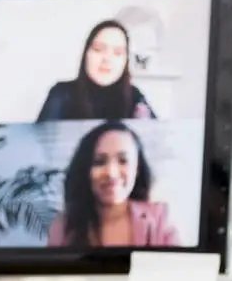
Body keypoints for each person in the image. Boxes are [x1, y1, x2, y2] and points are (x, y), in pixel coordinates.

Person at [46, 121, 182, 248]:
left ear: (137, 169)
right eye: (99, 162)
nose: (111, 173)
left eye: (123, 161)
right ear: (85, 169)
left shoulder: (160, 222)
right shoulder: (63, 227)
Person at [35, 19, 155, 122]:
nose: (107, 59)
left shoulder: (135, 96)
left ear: (126, 60)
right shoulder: (61, 94)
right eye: (98, 49)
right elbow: (41, 144)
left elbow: (155, 141)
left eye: (118, 53)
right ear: (85, 54)